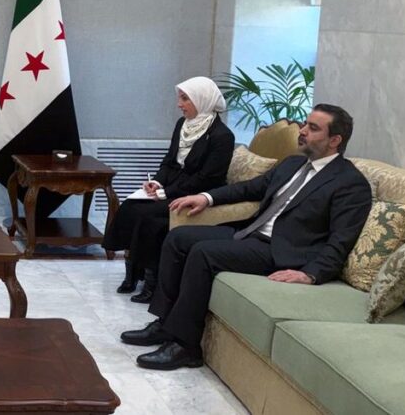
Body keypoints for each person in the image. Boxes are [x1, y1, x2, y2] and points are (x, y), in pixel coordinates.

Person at [119, 103, 371, 370]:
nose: (303, 131)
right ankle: (165, 324)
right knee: (178, 238)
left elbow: (341, 239)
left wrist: (311, 274)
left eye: (313, 128)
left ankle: (186, 346)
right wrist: (206, 197)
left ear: (335, 140)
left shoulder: (350, 183)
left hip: (281, 250)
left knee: (204, 253)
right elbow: (251, 188)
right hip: (250, 232)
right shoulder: (294, 163)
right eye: (305, 124)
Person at [103, 77, 234, 303]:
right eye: (179, 98)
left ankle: (152, 283)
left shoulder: (222, 136)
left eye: (185, 99)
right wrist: (157, 182)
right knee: (130, 207)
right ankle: (132, 273)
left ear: (202, 100)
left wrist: (168, 192)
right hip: (173, 185)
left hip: (195, 193)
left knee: (149, 218)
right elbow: (169, 161)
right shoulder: (183, 124)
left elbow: (206, 178)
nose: (179, 104)